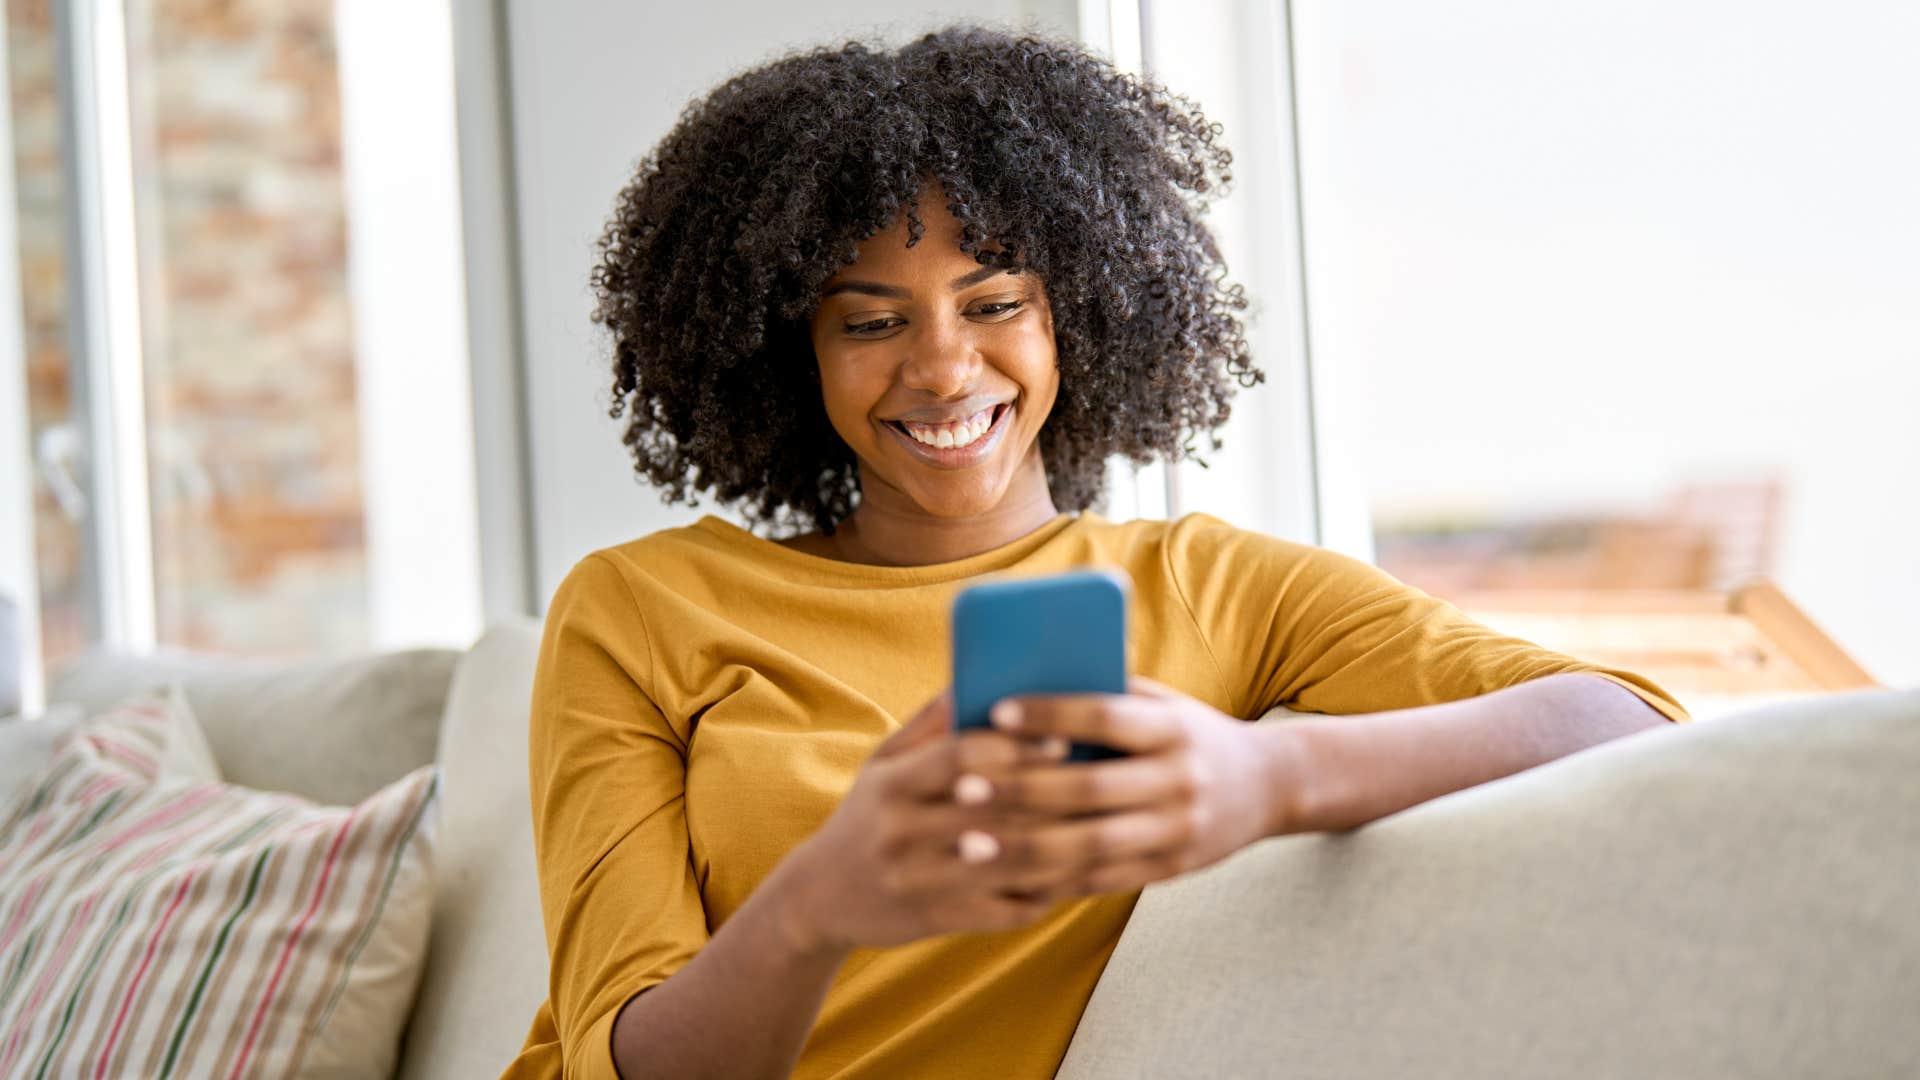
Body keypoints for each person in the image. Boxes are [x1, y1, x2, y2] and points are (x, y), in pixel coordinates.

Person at [499, 26, 1685, 1080]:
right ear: (789, 355)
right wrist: (820, 900)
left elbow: (1622, 725)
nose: (943, 369)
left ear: (1085, 311)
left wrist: (1265, 781)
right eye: (870, 321)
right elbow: (629, 1054)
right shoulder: (643, 607)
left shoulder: (1209, 587)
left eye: (995, 302)